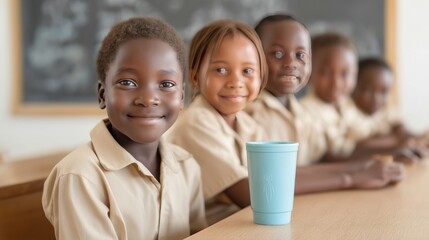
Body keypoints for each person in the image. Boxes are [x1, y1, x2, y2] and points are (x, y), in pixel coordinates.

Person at [42, 17, 206, 239]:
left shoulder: (186, 166)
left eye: (166, 84)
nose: (148, 99)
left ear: (182, 96)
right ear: (102, 95)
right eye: (128, 82)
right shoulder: (80, 176)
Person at [245, 14, 404, 194]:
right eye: (278, 53)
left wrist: (379, 159)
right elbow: (264, 183)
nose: (291, 63)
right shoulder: (249, 113)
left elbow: (326, 156)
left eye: (301, 55)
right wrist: (352, 176)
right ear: (254, 57)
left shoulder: (298, 113)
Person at [167, 19, 268, 224]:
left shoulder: (249, 125)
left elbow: (272, 181)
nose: (236, 82)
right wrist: (346, 177)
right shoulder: (196, 122)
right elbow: (255, 197)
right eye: (220, 70)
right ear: (195, 76)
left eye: (247, 71)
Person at [300, 32, 419, 162]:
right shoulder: (306, 113)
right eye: (326, 73)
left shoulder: (345, 104)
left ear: (355, 74)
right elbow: (333, 156)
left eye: (345, 74)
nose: (337, 83)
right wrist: (392, 149)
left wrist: (400, 140)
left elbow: (369, 130)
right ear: (308, 72)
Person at [350, 57, 428, 159]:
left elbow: (398, 125)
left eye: (384, 92)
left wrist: (412, 138)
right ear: (352, 86)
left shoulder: (383, 111)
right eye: (368, 90)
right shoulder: (348, 113)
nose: (376, 98)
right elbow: (360, 146)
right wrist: (398, 140)